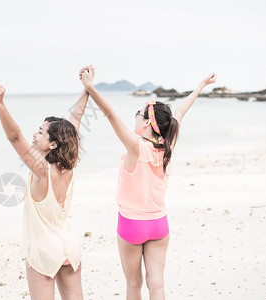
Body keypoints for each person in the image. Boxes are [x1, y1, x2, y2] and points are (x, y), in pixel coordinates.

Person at [79, 66, 216, 300]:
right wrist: (201, 85)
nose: (134, 116)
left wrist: (90, 88)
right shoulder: (168, 145)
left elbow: (111, 115)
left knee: (133, 285)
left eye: (138, 113)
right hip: (159, 224)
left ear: (146, 124)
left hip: (132, 224)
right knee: (157, 285)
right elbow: (181, 111)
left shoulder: (136, 146)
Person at [0, 67, 93, 299]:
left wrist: (0, 105)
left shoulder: (41, 170)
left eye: (41, 132)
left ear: (54, 144)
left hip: (43, 249)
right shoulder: (69, 166)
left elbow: (15, 137)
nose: (35, 135)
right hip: (69, 245)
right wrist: (87, 89)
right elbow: (75, 121)